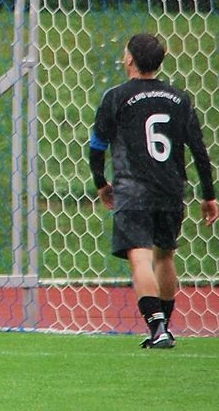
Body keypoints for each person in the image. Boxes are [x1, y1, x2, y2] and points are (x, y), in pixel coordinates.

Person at [89, 33, 217, 349]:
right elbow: (199, 149)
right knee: (165, 255)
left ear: (129, 59)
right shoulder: (179, 98)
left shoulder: (116, 96)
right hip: (171, 188)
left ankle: (157, 327)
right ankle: (165, 328)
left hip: (133, 189)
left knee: (141, 257)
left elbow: (97, 146)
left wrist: (100, 183)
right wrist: (209, 195)